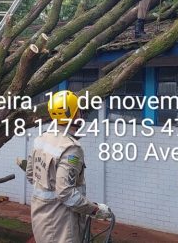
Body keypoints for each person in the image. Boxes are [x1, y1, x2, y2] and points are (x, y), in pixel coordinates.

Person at [25, 90, 112, 242]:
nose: (81, 114)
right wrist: (95, 210)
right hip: (61, 226)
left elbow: (31, 175)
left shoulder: (41, 139)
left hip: (41, 221)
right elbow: (65, 192)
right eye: (79, 110)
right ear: (74, 114)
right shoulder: (71, 149)